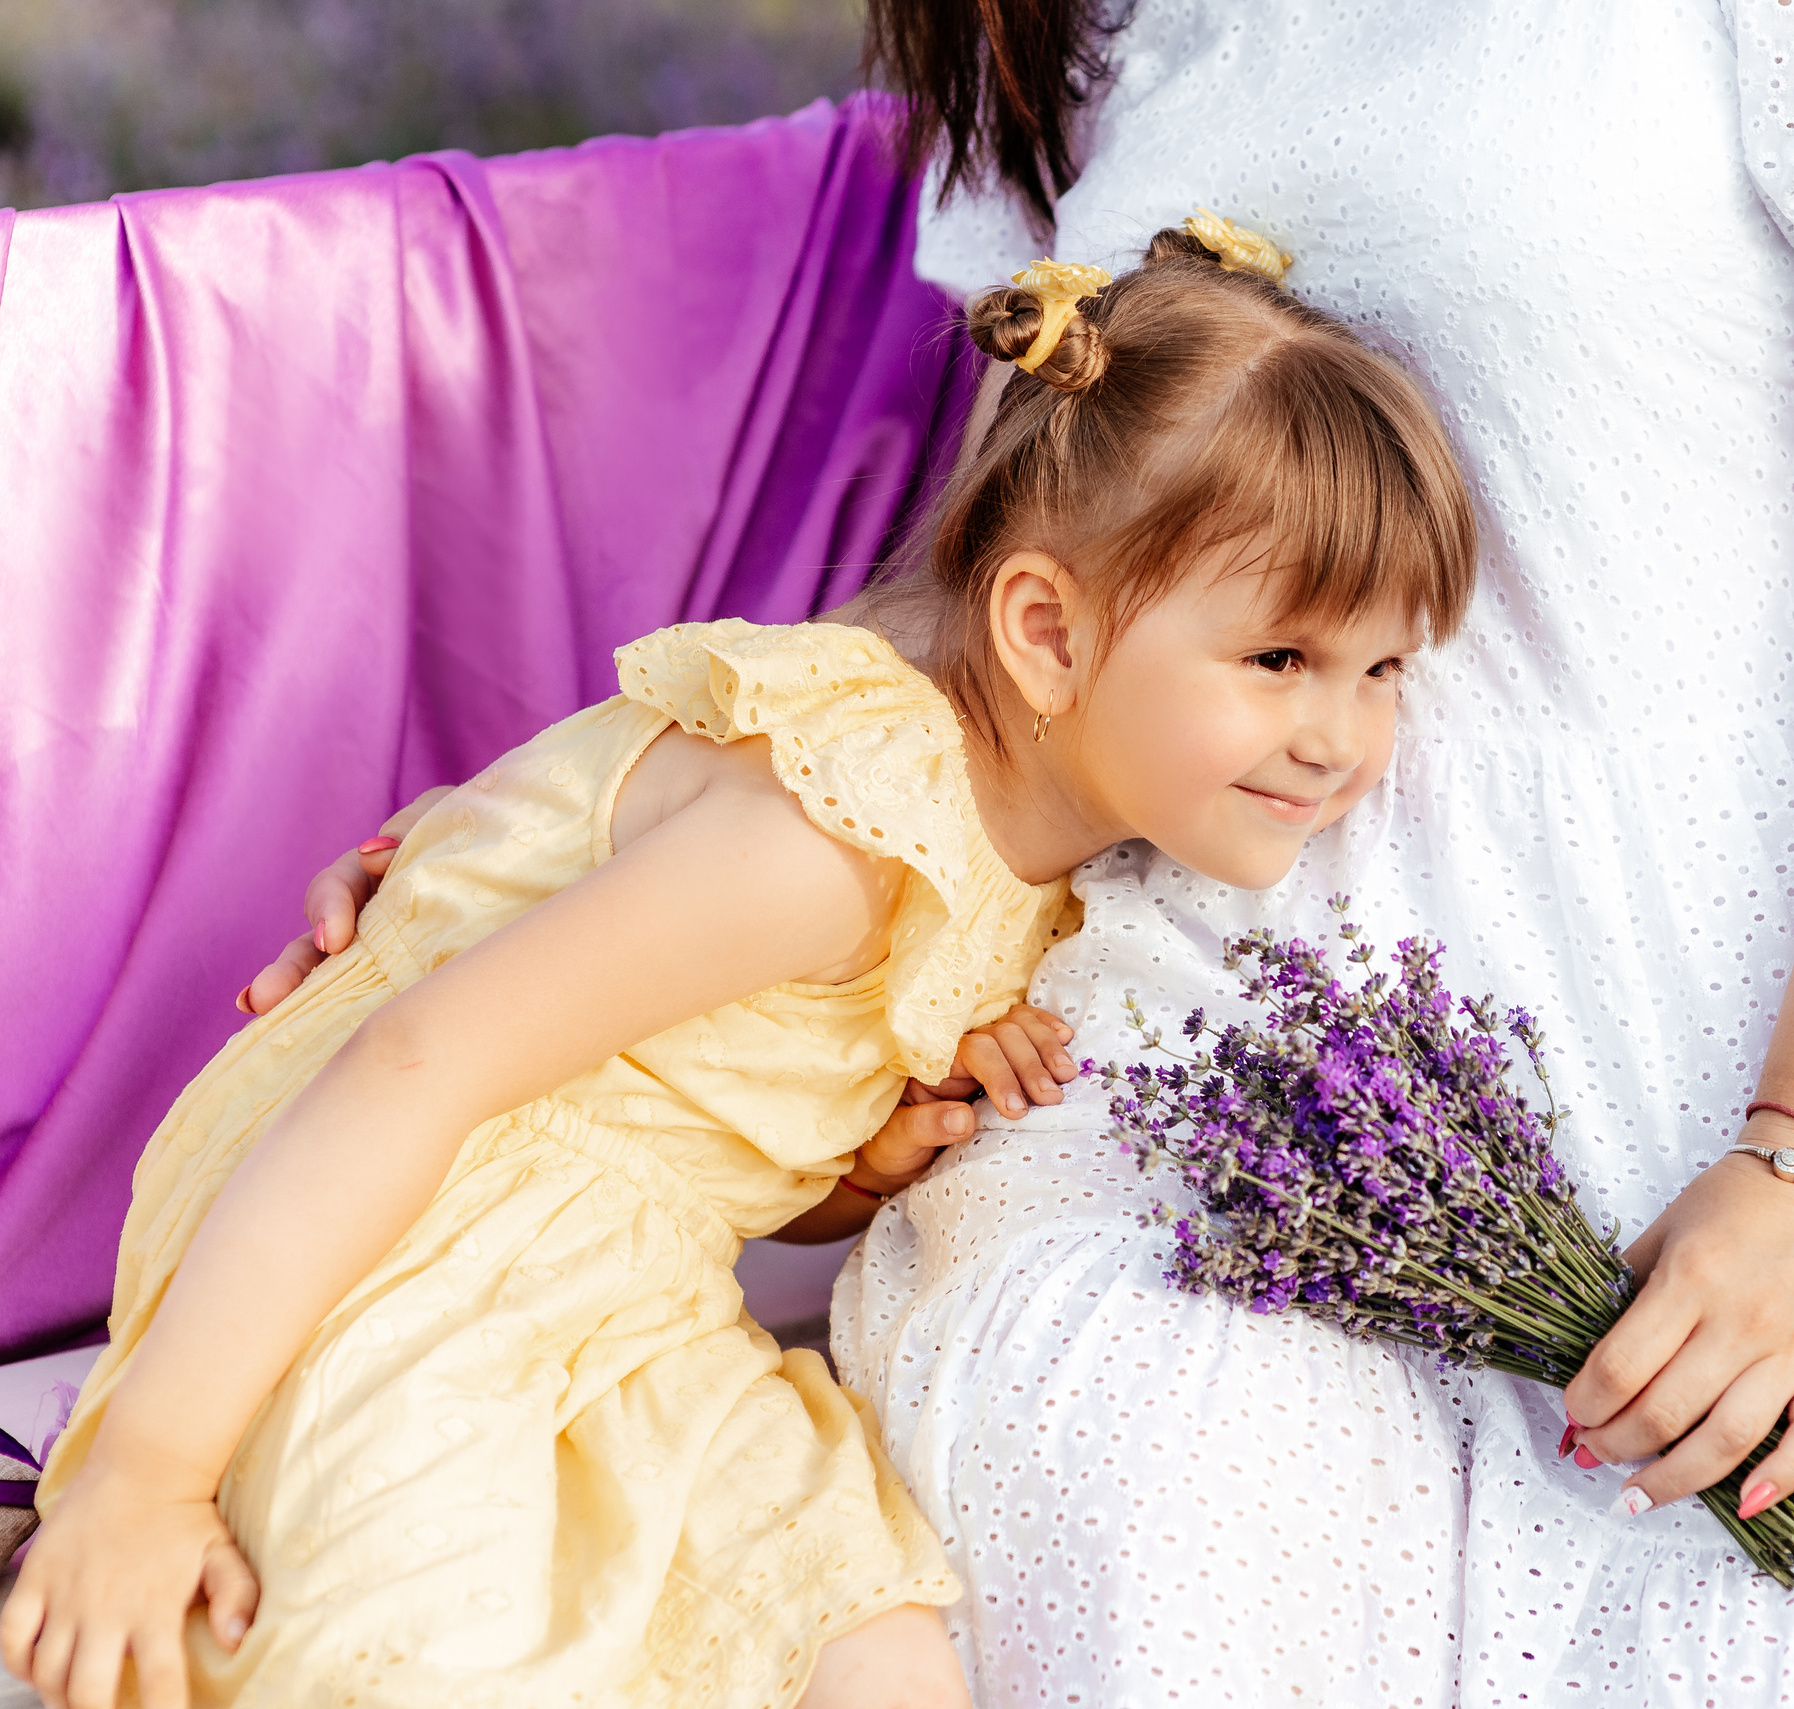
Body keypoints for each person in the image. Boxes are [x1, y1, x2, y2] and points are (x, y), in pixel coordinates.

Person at [226, 2, 1794, 1697]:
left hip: (1776, 1021)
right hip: (1211, 1063)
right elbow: (1030, 583)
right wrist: (569, 822)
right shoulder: (1110, 25)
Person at [0, 224, 1476, 1709]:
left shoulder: (1035, 835)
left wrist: (867, 1164)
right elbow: (416, 1061)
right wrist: (145, 1471)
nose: (1341, 738)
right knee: (430, 1648)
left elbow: (706, 1118)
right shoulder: (832, 833)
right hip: (394, 1230)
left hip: (630, 1293)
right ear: (1046, 630)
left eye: (1383, 667)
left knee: (871, 1643)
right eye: (1282, 661)